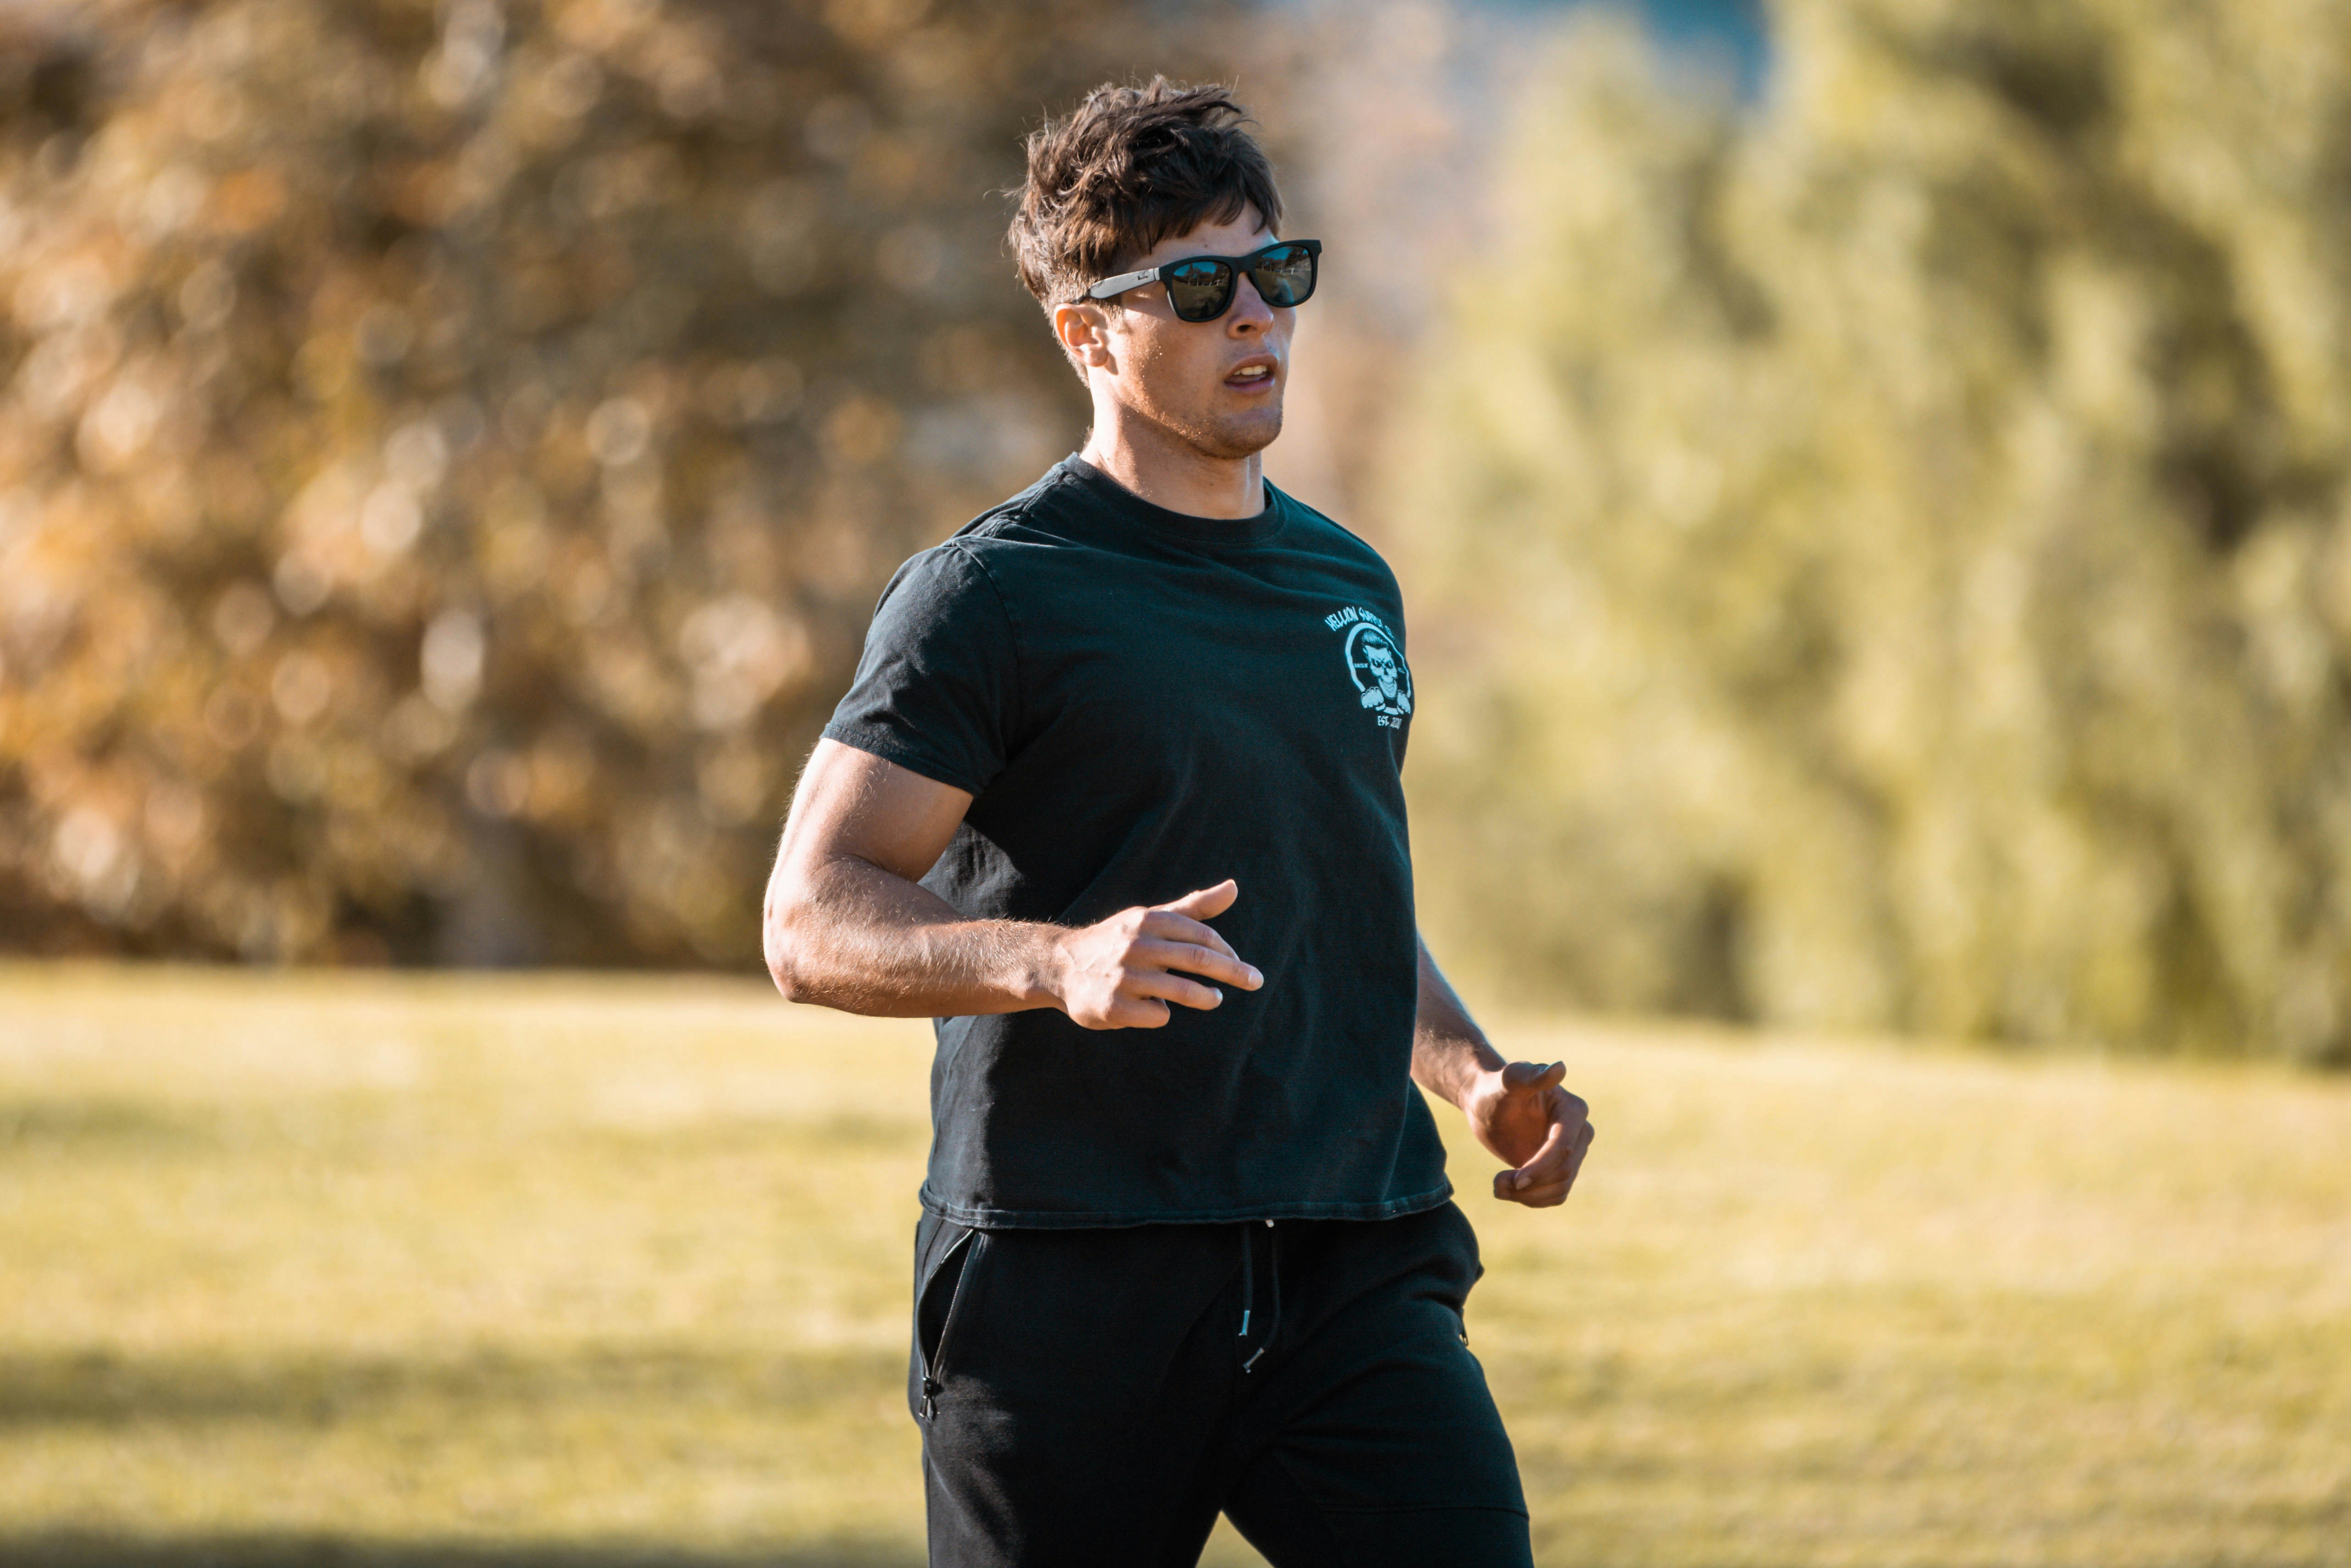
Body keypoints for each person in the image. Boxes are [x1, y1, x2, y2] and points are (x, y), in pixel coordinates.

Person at [762, 77, 1594, 1568]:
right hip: (1066, 1283)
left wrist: (1470, 1073)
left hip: (1353, 1258)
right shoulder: (989, 597)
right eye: (1200, 288)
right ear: (1086, 334)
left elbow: (1332, 891)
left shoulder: (1349, 584)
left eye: (1277, 272)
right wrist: (1056, 960)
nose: (1257, 318)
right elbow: (809, 913)